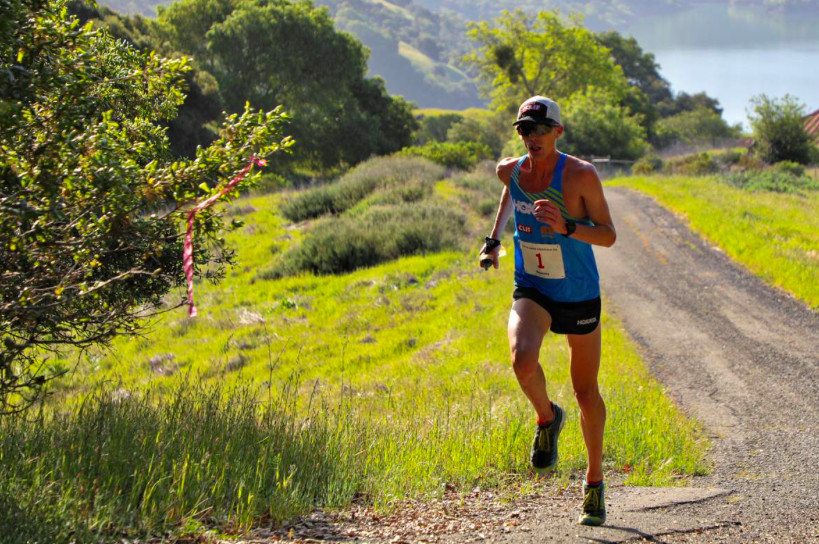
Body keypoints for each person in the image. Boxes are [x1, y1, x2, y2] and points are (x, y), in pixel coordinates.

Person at [479, 96, 616, 527]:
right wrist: (493, 239)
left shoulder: (580, 174)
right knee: (521, 359)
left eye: (540, 129)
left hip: (577, 291)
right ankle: (547, 417)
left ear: (558, 132)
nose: (532, 137)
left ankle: (594, 482)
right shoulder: (511, 169)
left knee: (585, 391)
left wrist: (566, 227)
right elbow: (510, 191)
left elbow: (608, 235)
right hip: (533, 284)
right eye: (524, 129)